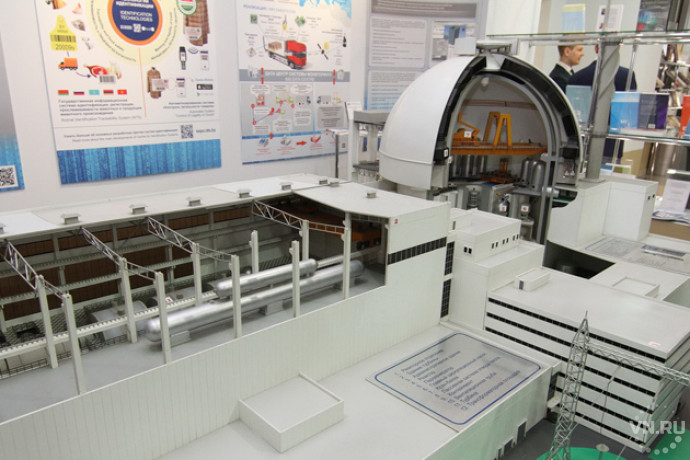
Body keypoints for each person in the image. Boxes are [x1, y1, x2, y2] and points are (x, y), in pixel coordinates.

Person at [569, 44, 637, 162]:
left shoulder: (577, 77)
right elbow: (628, 114)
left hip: (581, 145)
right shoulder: (627, 76)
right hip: (612, 146)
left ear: (596, 48)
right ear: (618, 48)